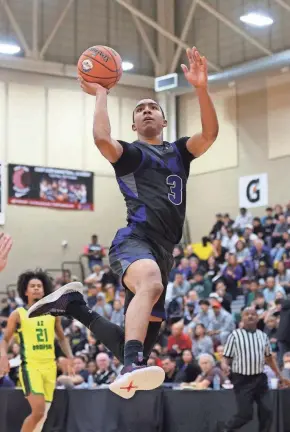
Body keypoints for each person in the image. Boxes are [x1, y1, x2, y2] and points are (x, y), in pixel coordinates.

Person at [27, 46, 219, 399]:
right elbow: (102, 139)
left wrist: (201, 89)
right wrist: (101, 91)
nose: (147, 111)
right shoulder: (132, 154)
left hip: (165, 251)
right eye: (140, 110)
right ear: (134, 125)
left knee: (140, 344)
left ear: (163, 121)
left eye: (153, 108)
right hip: (135, 240)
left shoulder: (179, 152)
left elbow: (208, 135)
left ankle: (75, 308)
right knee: (149, 285)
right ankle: (129, 366)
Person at [0, 270, 74, 432]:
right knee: (38, 411)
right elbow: (5, 339)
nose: (36, 289)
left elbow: (61, 338)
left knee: (43, 415)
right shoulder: (18, 314)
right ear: (25, 291)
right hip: (30, 367)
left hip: (50, 367)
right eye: (32, 286)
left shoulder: (53, 313)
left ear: (44, 290)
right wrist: (3, 355)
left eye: (39, 286)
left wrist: (70, 356)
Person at [218, 307, 290, 432]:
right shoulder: (235, 335)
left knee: (267, 411)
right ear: (242, 317)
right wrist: (224, 365)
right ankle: (226, 429)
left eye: (253, 314)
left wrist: (280, 376)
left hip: (259, 378)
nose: (250, 316)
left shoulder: (263, 336)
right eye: (247, 314)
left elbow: (269, 359)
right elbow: (226, 357)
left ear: (257, 318)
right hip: (242, 379)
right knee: (245, 414)